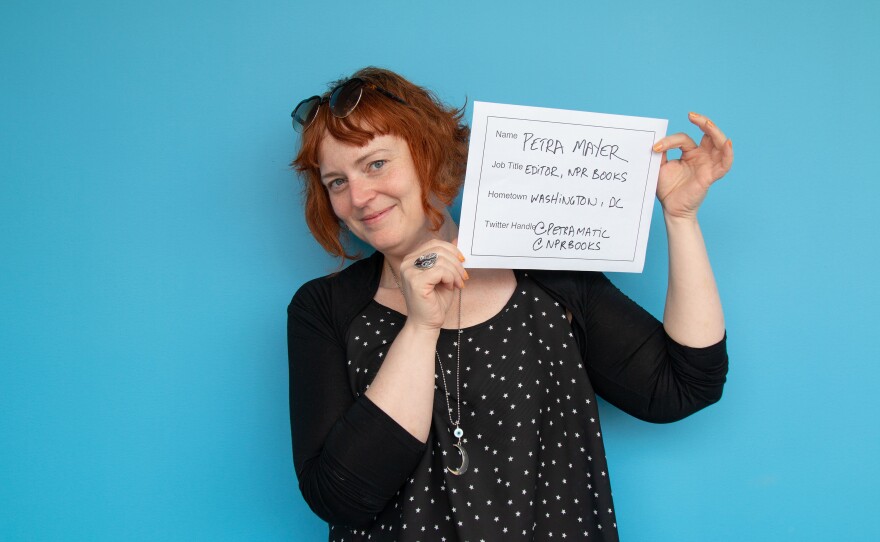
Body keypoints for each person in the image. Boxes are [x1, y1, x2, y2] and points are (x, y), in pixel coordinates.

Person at [287, 67, 732, 541]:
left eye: (375, 164)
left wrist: (681, 218)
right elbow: (341, 498)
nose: (358, 196)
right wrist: (420, 327)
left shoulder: (547, 273)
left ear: (430, 157)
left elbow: (683, 385)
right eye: (336, 181)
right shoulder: (324, 309)